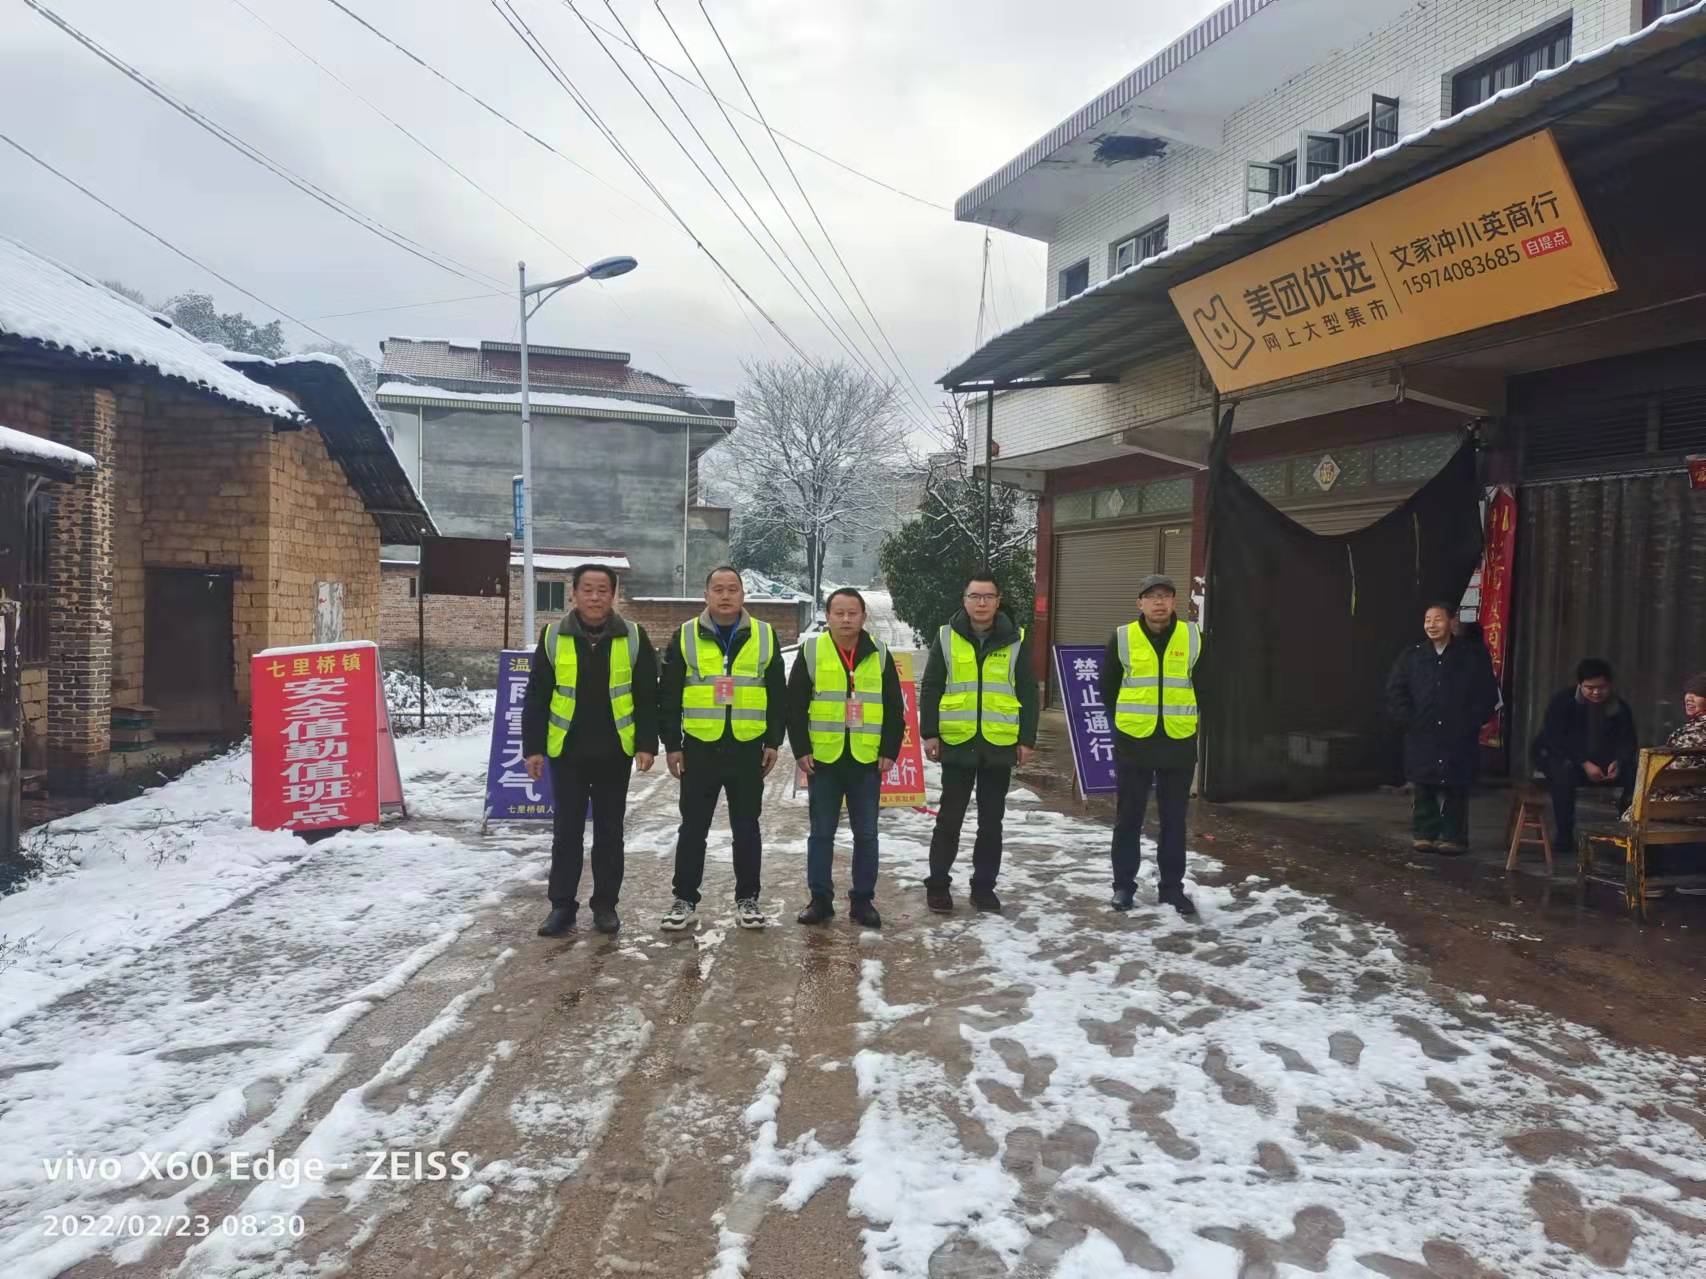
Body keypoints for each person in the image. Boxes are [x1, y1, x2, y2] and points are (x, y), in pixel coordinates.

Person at [522, 564, 658, 936]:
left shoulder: (633, 636)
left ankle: (605, 906)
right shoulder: (552, 636)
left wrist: (647, 743)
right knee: (566, 832)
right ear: (574, 594)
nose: (595, 597)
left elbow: (648, 695)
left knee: (610, 833)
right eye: (587, 589)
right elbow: (537, 696)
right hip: (567, 752)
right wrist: (533, 748)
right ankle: (562, 906)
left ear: (613, 595)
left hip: (615, 752)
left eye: (602, 590)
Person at [657, 566, 786, 931]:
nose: (725, 596)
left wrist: (773, 741)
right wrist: (672, 745)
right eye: (718, 589)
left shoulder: (764, 635)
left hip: (747, 748)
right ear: (706, 595)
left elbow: (778, 694)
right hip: (700, 747)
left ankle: (748, 899)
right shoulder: (685, 636)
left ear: (743, 595)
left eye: (732, 589)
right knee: (693, 827)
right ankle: (684, 899)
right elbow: (668, 696)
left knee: (747, 827)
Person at [919, 572, 1038, 913]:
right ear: (964, 600)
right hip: (957, 742)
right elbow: (931, 686)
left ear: (999, 601)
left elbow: (1028, 690)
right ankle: (938, 885)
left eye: (988, 596)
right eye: (975, 596)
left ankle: (984, 887)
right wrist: (930, 733)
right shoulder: (946, 636)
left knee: (991, 821)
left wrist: (1026, 738)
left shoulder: (1016, 638)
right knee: (949, 819)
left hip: (999, 743)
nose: (981, 603)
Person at [787, 587, 904, 929]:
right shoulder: (812, 651)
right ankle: (820, 899)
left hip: (866, 760)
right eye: (838, 612)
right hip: (823, 759)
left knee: (866, 834)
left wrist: (889, 750)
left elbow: (895, 709)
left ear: (863, 617)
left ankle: (863, 900)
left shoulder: (879, 654)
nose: (846, 619)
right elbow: (794, 706)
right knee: (821, 833)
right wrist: (801, 749)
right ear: (828, 616)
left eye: (853, 613)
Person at [1101, 574, 1207, 918]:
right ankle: (1123, 887)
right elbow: (1108, 689)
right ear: (1140, 603)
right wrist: (1127, 723)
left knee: (1174, 820)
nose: (1159, 602)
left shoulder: (1192, 637)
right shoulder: (1122, 638)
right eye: (1151, 596)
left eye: (1165, 596)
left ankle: (1172, 889)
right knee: (1128, 817)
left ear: (1174, 602)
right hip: (1135, 741)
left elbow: (1206, 686)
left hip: (1177, 740)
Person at [1384, 602, 1498, 855]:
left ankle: (1454, 837)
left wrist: (1471, 721)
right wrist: (1409, 719)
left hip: (1458, 731)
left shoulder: (1471, 656)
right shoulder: (1412, 656)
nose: (1431, 625)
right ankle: (1424, 833)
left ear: (1452, 622)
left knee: (1456, 784)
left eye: (1437, 619)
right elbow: (1396, 690)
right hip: (1422, 730)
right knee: (1424, 783)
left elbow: (1487, 693)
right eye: (1427, 620)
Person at [1530, 657, 1638, 854]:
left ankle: (1626, 829)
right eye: (1590, 687)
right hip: (1565, 758)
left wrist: (1618, 762)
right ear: (1580, 685)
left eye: (1602, 687)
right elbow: (1556, 739)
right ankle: (1564, 835)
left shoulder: (1618, 707)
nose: (1596, 692)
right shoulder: (1563, 702)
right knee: (1562, 773)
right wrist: (1584, 763)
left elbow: (1628, 741)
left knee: (1635, 773)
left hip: (1603, 762)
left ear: (1610, 685)